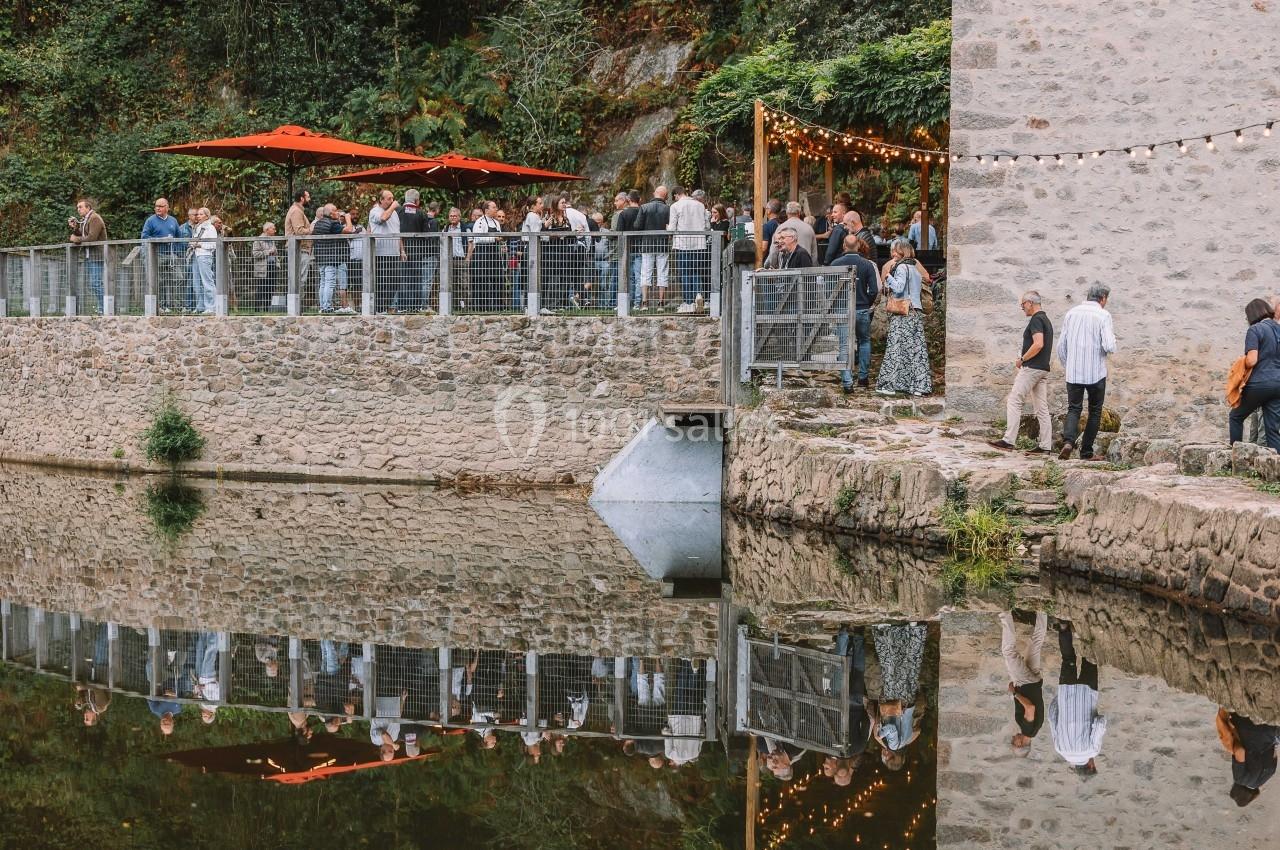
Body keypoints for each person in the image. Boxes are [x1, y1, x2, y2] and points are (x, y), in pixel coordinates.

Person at [1056, 284, 1117, 460]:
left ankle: (1068, 442)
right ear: (1103, 298)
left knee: (1073, 408)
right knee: (1095, 411)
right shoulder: (1103, 315)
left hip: (1074, 372)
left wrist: (1069, 365)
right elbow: (1109, 345)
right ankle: (1086, 452)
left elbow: (1061, 346)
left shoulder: (1071, 313)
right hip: (1095, 372)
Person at [990, 292, 1055, 452]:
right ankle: (1045, 446)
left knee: (1014, 400)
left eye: (1023, 304)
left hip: (1032, 367)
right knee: (1041, 408)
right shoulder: (1046, 320)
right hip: (1042, 369)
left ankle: (1009, 440)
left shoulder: (1037, 319)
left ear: (1030, 302)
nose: (1022, 308)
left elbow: (1038, 344)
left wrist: (1023, 359)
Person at [875, 238, 932, 397]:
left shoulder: (900, 268)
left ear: (901, 252)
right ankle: (919, 386)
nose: (892, 254)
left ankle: (889, 384)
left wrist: (888, 277)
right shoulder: (914, 268)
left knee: (895, 349)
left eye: (895, 251)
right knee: (916, 350)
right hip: (915, 312)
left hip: (903, 313)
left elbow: (899, 288)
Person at [866, 623, 927, 771]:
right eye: (885, 758)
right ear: (890, 757)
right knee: (890, 668)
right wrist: (880, 735)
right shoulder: (893, 745)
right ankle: (885, 631)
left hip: (907, 703)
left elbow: (915, 730)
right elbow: (892, 728)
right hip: (895, 702)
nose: (883, 755)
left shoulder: (905, 742)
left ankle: (914, 630)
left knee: (911, 666)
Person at [1048, 627, 1105, 775]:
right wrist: (1060, 699)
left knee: (1090, 661)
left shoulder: (1092, 750)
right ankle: (1064, 628)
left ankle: (1089, 627)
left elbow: (1100, 722)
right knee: (1068, 658)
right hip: (1066, 690)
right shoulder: (1060, 749)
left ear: (1091, 766)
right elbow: (1052, 716)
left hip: (1087, 693)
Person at [1228, 298, 1280, 450]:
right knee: (1272, 430)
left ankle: (1235, 459)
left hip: (1260, 383)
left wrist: (1240, 363)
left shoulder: (1255, 329)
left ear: (1251, 314)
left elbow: (1252, 360)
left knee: (1236, 417)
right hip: (1278, 384)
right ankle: (1276, 466)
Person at [830, 235, 880, 391]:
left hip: (843, 309)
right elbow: (874, 290)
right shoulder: (867, 264)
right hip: (862, 309)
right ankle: (863, 377)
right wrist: (867, 302)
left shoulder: (835, 264)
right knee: (864, 341)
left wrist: (834, 305)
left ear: (844, 245)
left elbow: (829, 289)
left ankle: (847, 381)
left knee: (844, 345)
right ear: (858, 245)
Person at [1000, 611, 1047, 756]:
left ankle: (1043, 610)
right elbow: (1030, 707)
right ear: (1020, 744)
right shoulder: (1027, 729)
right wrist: (1014, 693)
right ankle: (1005, 613)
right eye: (1013, 741)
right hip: (1025, 683)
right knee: (1008, 652)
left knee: (1036, 642)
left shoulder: (1035, 729)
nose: (1013, 738)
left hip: (1035, 683)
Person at [1216, 708, 1279, 807]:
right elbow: (1240, 751)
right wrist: (1233, 745)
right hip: (1248, 726)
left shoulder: (1268, 775)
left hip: (1272, 730)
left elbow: (1274, 751)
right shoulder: (1240, 779)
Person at [667, 186, 709, 310]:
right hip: (699, 244)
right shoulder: (700, 205)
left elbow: (672, 228)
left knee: (685, 273)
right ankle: (698, 296)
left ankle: (688, 302)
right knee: (696, 272)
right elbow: (707, 226)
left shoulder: (675, 206)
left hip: (682, 245)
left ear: (676, 195)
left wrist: (668, 228)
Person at [311, 204, 353, 313]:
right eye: (335, 211)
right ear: (330, 213)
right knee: (330, 283)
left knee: (323, 282)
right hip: (331, 258)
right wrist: (348, 218)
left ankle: (323, 307)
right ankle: (327, 307)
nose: (338, 212)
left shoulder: (318, 223)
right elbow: (349, 229)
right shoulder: (333, 224)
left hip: (320, 258)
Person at [398, 189, 434, 313]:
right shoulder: (421, 213)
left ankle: (402, 306)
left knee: (402, 278)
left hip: (400, 249)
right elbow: (427, 235)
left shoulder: (398, 211)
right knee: (416, 278)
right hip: (417, 251)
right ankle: (415, 306)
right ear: (417, 200)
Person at [141, 198, 181, 310]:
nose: (158, 208)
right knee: (159, 281)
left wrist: (177, 252)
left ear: (167, 207)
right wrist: (161, 239)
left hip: (171, 256)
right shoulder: (150, 221)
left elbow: (179, 237)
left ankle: (175, 305)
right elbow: (144, 237)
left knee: (178, 278)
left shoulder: (173, 220)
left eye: (161, 206)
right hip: (156, 255)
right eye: (156, 206)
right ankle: (159, 306)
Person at [635, 186, 671, 309]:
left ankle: (645, 302)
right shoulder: (668, 209)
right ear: (665, 196)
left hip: (647, 244)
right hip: (662, 244)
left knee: (645, 273)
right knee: (663, 272)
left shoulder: (644, 207)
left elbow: (637, 225)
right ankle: (661, 302)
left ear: (654, 193)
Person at [68, 198, 108, 311]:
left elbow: (91, 238)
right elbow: (83, 234)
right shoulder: (86, 219)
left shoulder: (94, 218)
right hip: (89, 256)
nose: (78, 210)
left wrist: (76, 239)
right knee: (93, 284)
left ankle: (104, 308)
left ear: (88, 208)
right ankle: (103, 307)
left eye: (80, 207)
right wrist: (75, 228)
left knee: (95, 283)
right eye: (77, 208)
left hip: (97, 256)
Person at [368, 190, 404, 313]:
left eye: (392, 198)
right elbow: (383, 218)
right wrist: (393, 206)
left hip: (394, 253)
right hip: (380, 253)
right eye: (389, 198)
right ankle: (378, 309)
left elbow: (397, 232)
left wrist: (402, 250)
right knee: (382, 282)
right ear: (381, 200)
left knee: (395, 281)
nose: (392, 201)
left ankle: (385, 307)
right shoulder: (375, 211)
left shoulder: (394, 214)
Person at [467, 200, 504, 312]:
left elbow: (500, 235)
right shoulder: (480, 222)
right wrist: (494, 238)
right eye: (494, 207)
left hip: (494, 253)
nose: (496, 209)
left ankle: (498, 307)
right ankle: (481, 307)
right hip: (482, 253)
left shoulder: (496, 222)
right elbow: (477, 238)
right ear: (486, 210)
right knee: (481, 279)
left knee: (497, 278)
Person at [614, 190, 643, 309]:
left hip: (626, 249)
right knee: (639, 277)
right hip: (641, 248)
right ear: (639, 200)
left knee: (627, 277)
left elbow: (619, 232)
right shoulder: (643, 212)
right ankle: (638, 303)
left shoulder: (623, 214)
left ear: (628, 200)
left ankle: (627, 302)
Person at [284, 188, 314, 292]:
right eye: (308, 196)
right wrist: (311, 230)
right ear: (302, 198)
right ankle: (296, 306)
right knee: (300, 278)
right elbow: (299, 230)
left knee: (298, 278)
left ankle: (296, 305)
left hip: (300, 249)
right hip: (298, 249)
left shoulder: (298, 210)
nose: (309, 199)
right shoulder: (296, 211)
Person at [189, 207, 217, 314]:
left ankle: (211, 307)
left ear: (207, 215)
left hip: (205, 256)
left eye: (201, 214)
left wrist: (200, 244)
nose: (198, 216)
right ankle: (200, 306)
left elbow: (213, 245)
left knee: (207, 282)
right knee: (197, 282)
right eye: (198, 214)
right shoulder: (198, 227)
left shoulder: (210, 228)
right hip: (196, 255)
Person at [252, 222, 281, 312]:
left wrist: (276, 260)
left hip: (272, 267)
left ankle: (266, 309)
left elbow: (275, 252)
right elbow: (255, 253)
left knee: (271, 288)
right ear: (267, 230)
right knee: (261, 288)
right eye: (273, 228)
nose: (275, 230)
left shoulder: (272, 240)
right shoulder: (259, 240)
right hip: (263, 268)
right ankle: (257, 309)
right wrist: (268, 252)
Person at [591, 212, 617, 307]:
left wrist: (608, 257)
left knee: (604, 284)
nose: (598, 224)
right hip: (591, 261)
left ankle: (604, 304)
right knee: (589, 283)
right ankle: (589, 303)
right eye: (595, 222)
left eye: (600, 222)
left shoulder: (607, 232)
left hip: (604, 261)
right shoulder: (588, 231)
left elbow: (612, 247)